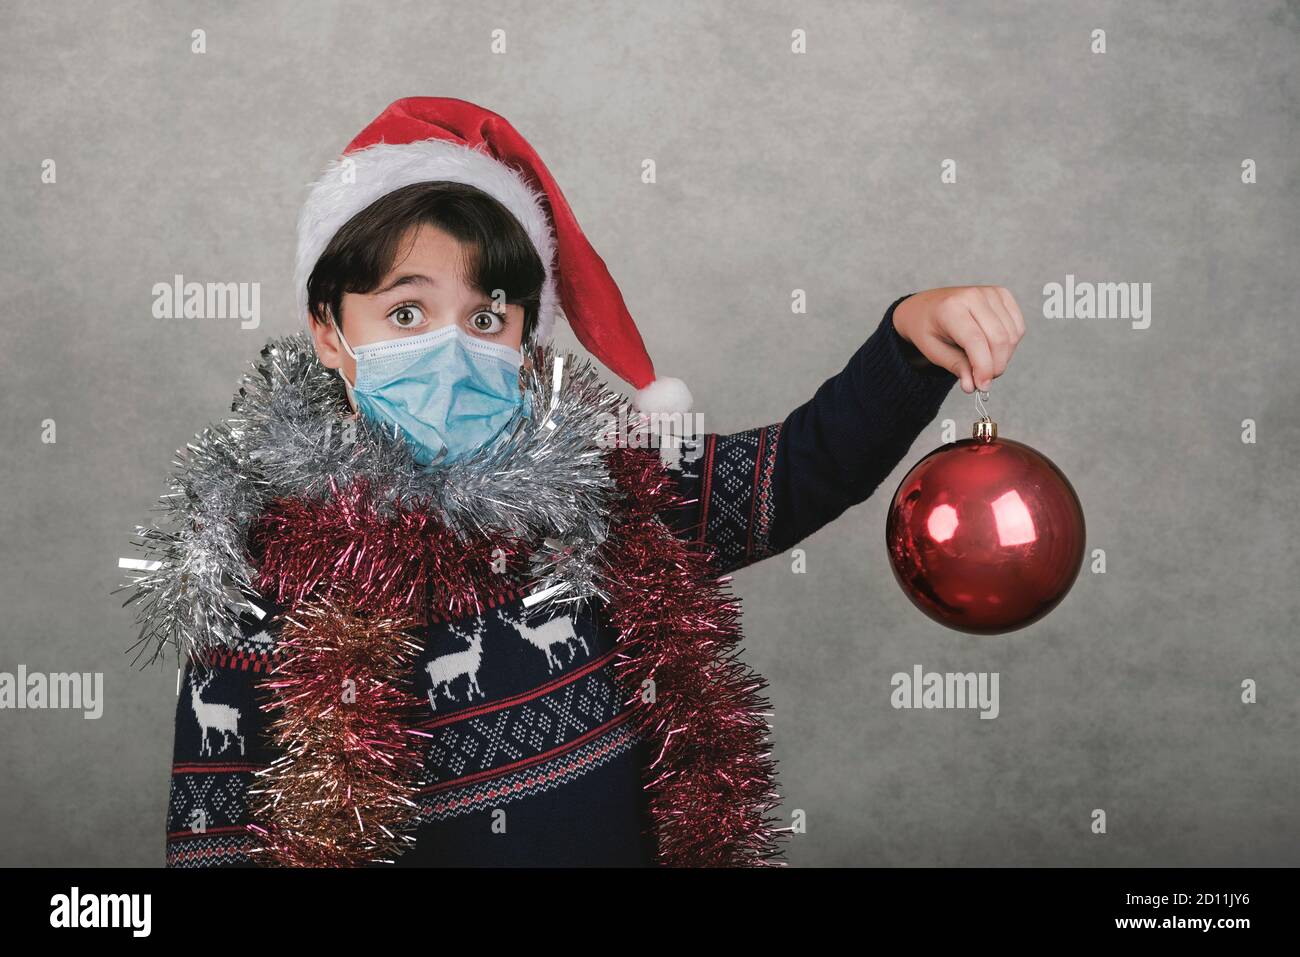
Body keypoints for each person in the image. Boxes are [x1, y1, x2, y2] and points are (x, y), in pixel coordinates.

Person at [133, 97, 1024, 868]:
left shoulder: (605, 502)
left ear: (526, 337)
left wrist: (910, 339)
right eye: (406, 312)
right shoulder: (258, 581)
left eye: (487, 316)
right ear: (329, 331)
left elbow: (799, 470)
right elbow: (216, 839)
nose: (452, 347)